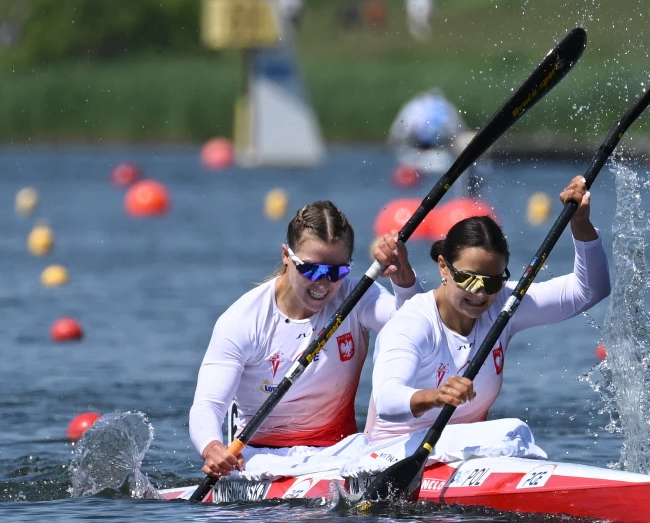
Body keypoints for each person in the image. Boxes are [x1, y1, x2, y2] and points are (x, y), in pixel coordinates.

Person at [366, 176, 611, 442]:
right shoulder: (413, 322)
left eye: (492, 281)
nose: (480, 293)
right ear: (443, 267)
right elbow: (387, 401)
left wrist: (580, 223)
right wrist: (436, 396)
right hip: (391, 450)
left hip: (466, 453)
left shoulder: (505, 305)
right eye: (468, 279)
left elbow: (590, 290)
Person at [191, 200, 422, 478]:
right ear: (287, 255)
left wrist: (405, 280)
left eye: (336, 271)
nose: (324, 284)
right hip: (259, 459)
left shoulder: (358, 297)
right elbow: (208, 405)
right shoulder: (243, 320)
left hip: (340, 454)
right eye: (312, 269)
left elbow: (418, 330)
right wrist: (212, 447)